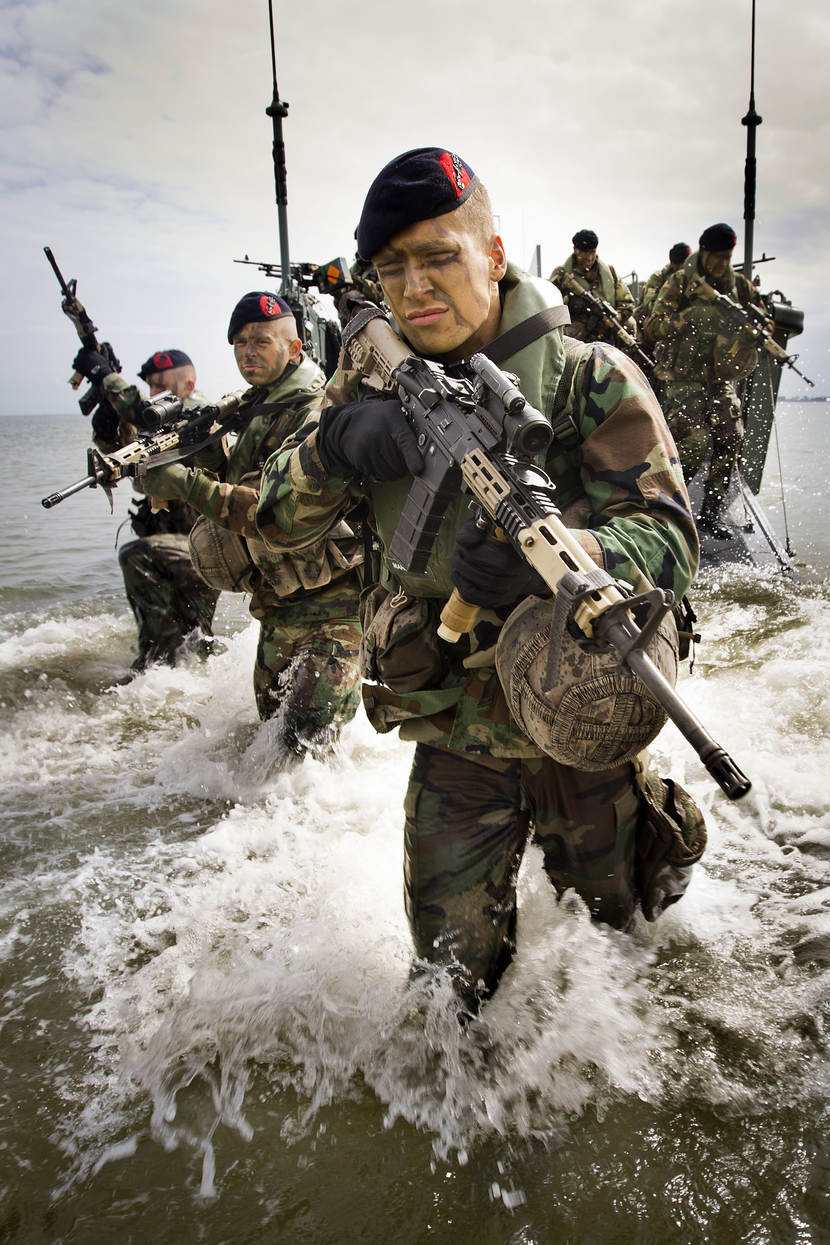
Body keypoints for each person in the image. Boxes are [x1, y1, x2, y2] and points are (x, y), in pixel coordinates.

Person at [255, 147, 706, 1013]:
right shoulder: (361, 388)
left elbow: (669, 535)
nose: (416, 287)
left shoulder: (587, 377)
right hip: (452, 732)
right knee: (451, 991)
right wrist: (337, 445)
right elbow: (274, 523)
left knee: (622, 965)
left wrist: (569, 553)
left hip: (583, 724)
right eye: (393, 269)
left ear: (494, 256)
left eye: (440, 257)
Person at [137, 292, 364, 754]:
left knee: (306, 750)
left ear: (296, 348)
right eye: (238, 343)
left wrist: (186, 484)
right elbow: (237, 485)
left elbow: (275, 512)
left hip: (334, 607)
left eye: (261, 341)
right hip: (277, 604)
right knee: (272, 747)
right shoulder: (251, 410)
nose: (247, 352)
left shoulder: (319, 412)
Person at [71, 345, 220, 678]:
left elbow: (144, 419)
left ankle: (152, 669)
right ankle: (180, 678)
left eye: (162, 386)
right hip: (174, 545)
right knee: (192, 636)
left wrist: (109, 380)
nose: (155, 395)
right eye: (151, 387)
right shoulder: (157, 426)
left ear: (189, 386)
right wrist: (110, 421)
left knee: (137, 557)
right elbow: (126, 451)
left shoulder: (198, 416)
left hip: (204, 548)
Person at [644, 223, 772, 539]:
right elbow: (653, 327)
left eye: (727, 257)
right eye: (716, 257)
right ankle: (669, 509)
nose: (721, 265)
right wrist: (692, 316)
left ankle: (711, 513)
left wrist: (755, 331)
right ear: (703, 251)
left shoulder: (739, 287)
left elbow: (763, 317)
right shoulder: (680, 282)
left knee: (732, 436)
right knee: (694, 443)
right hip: (682, 375)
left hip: (719, 375)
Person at [549, 229, 636, 342]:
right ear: (576, 250)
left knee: (629, 325)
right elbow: (549, 306)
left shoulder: (609, 273)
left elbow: (627, 303)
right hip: (577, 326)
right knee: (567, 335)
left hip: (605, 324)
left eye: (592, 252)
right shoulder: (562, 274)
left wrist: (616, 318)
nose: (590, 258)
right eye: (585, 253)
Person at [636, 242, 691, 343]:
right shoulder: (658, 278)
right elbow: (650, 306)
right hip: (651, 328)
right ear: (673, 264)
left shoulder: (692, 278)